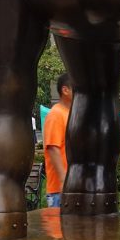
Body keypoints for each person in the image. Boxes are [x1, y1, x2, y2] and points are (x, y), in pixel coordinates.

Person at [43, 73, 73, 208]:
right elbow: (52, 148)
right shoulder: (56, 114)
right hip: (59, 190)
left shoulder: (70, 114)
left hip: (69, 187)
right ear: (65, 90)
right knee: (59, 229)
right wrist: (63, 180)